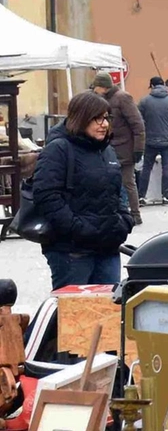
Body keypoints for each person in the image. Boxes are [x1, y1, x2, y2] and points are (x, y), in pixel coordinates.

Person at [33, 92, 134, 289]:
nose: (104, 124)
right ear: (80, 118)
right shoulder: (59, 149)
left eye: (106, 118)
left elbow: (116, 191)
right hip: (72, 251)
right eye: (97, 118)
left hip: (107, 247)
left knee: (108, 312)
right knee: (74, 314)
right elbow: (46, 196)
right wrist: (77, 228)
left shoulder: (106, 150)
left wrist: (124, 221)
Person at [92, 73, 145, 224]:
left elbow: (138, 125)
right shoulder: (102, 99)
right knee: (112, 182)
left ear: (102, 86)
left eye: (95, 86)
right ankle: (117, 212)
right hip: (109, 147)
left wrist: (138, 149)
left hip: (124, 148)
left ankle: (135, 214)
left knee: (128, 182)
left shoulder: (123, 98)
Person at [137, 76, 168, 205]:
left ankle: (141, 196)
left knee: (146, 168)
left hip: (150, 140)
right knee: (166, 168)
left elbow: (139, 122)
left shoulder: (144, 101)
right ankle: (167, 195)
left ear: (152, 86)